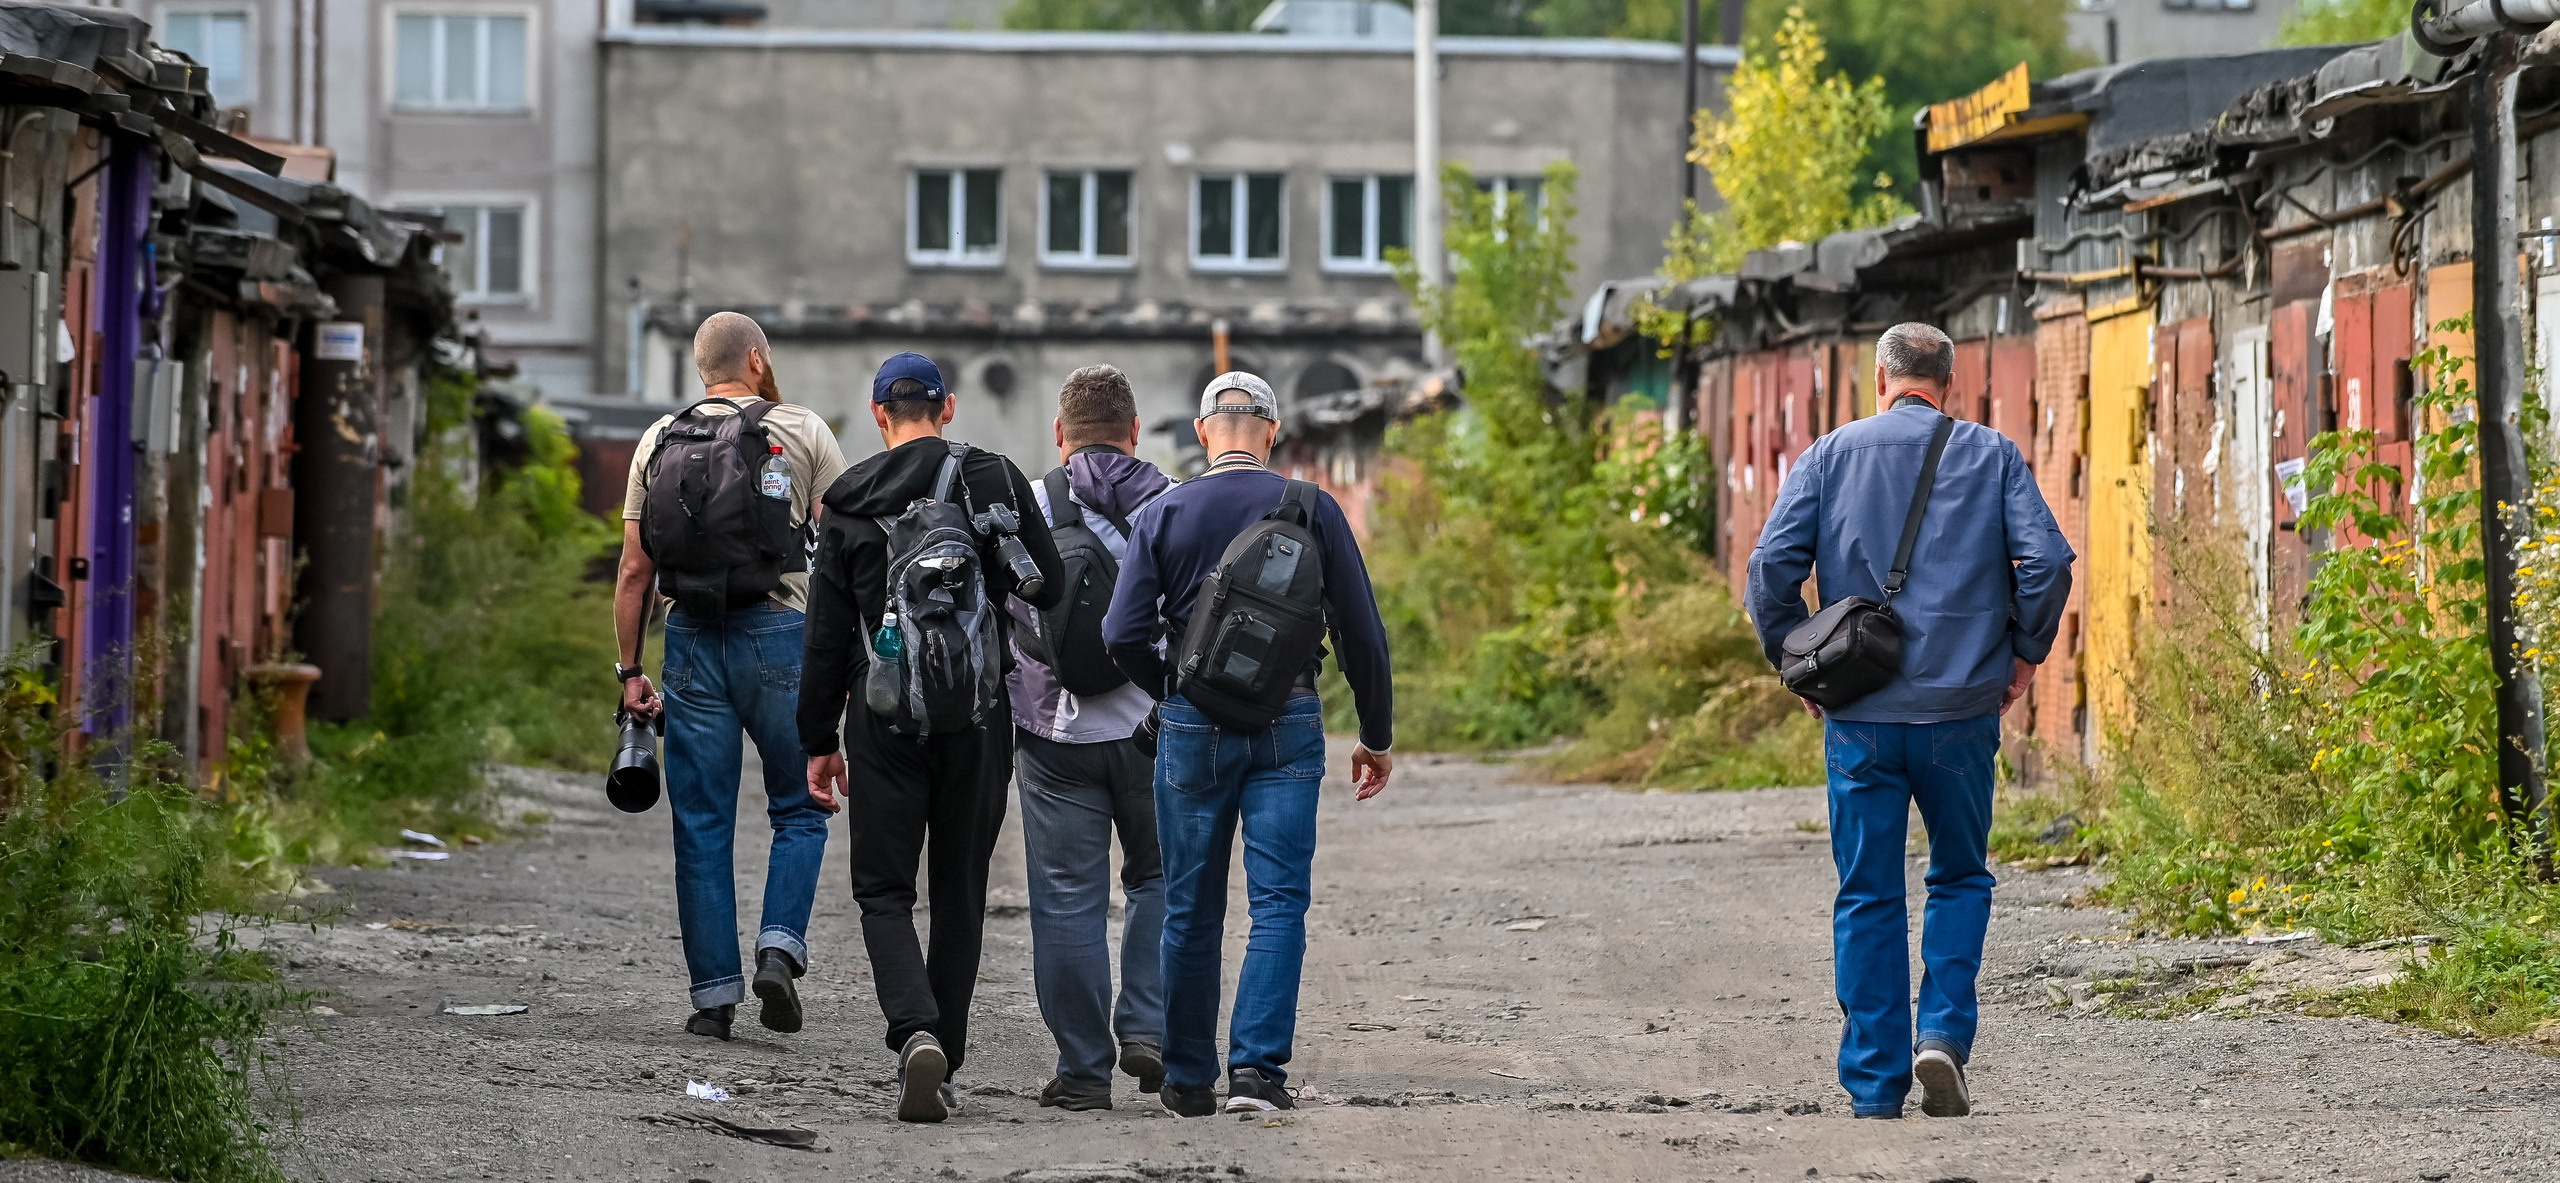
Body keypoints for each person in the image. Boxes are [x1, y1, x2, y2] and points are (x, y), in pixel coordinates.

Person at [1745, 322, 2074, 1120]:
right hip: (1961, 712)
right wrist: (2025, 653)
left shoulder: (1829, 454)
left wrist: (1799, 663)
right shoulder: (1990, 453)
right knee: (1960, 875)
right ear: (1948, 386)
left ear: (1881, 378)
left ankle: (1871, 1083)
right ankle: (1943, 1035)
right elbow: (2050, 560)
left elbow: (1770, 568)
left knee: (1867, 892)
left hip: (1858, 712)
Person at [1101, 371, 1394, 1117]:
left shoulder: (1164, 510)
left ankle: (1189, 1079)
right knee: (1279, 903)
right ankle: (1258, 1074)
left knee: (1190, 908)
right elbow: (1362, 632)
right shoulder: (1313, 507)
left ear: (1202, 433)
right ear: (1271, 431)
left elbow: (1119, 632)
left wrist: (1172, 686)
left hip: (1192, 724)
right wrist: (1376, 734)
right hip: (1288, 723)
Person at [799, 352, 1064, 1123]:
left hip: (881, 719)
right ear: (946, 408)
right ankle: (944, 1054)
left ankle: (914, 1028)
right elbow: (1048, 579)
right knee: (960, 891)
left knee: (883, 890)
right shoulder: (996, 478)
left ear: (879, 413)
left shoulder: (845, 502)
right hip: (977, 719)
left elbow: (822, 640)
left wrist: (819, 738)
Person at [614, 311, 847, 1042]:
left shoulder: (659, 439)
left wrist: (629, 672)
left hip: (689, 641)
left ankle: (713, 998)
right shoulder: (803, 429)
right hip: (779, 633)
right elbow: (842, 552)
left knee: (702, 819)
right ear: (756, 358)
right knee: (800, 804)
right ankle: (779, 946)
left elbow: (632, 571)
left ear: (699, 366)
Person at [1006, 365, 1175, 1112]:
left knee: (1069, 896)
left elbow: (1008, 613)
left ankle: (1083, 1070)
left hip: (1054, 734)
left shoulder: (1031, 504)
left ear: (1059, 433)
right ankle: (1147, 1026)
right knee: (1160, 880)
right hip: (1154, 729)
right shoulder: (1175, 504)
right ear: (1134, 432)